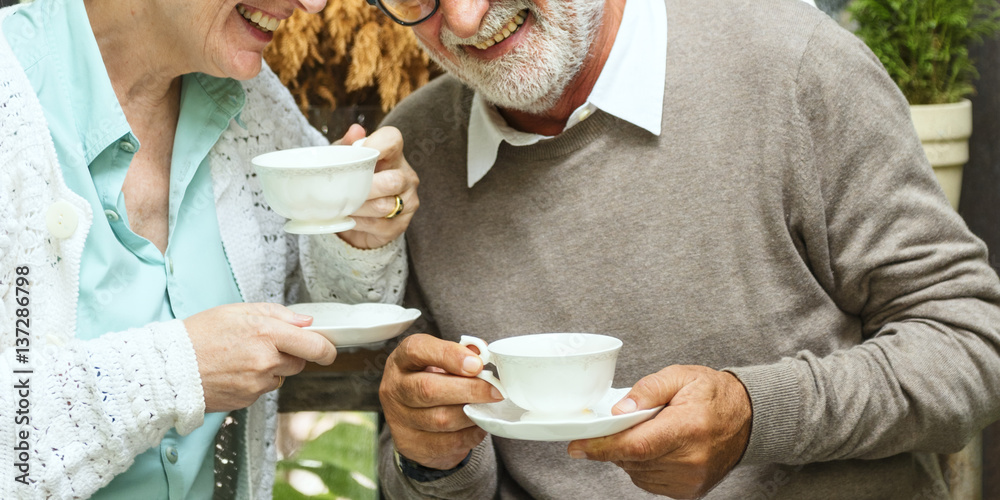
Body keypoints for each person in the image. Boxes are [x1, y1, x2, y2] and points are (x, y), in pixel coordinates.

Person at [370, 0, 1000, 498]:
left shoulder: (792, 64)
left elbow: (970, 344)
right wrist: (429, 460)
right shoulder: (414, 156)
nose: (463, 19)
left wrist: (756, 414)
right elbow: (438, 467)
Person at [0, 0, 418, 497]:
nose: (314, 5)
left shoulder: (251, 98)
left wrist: (355, 236)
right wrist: (176, 372)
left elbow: (337, 308)